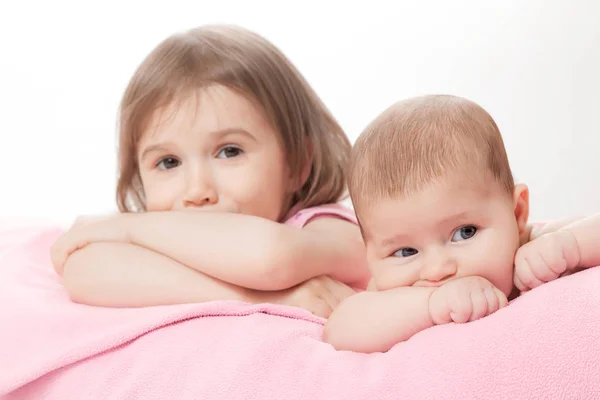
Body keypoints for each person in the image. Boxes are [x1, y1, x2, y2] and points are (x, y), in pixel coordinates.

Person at [49, 25, 371, 318]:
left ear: (298, 164)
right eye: (169, 162)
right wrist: (268, 298)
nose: (197, 190)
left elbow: (270, 258)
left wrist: (129, 228)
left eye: (229, 151)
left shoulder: (328, 226)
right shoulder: (165, 235)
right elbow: (84, 271)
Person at [323, 94, 600, 352]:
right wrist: (432, 305)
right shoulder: (390, 296)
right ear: (370, 253)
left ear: (517, 213)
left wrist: (568, 246)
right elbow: (339, 331)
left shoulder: (531, 248)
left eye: (464, 233)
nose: (437, 269)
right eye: (406, 252)